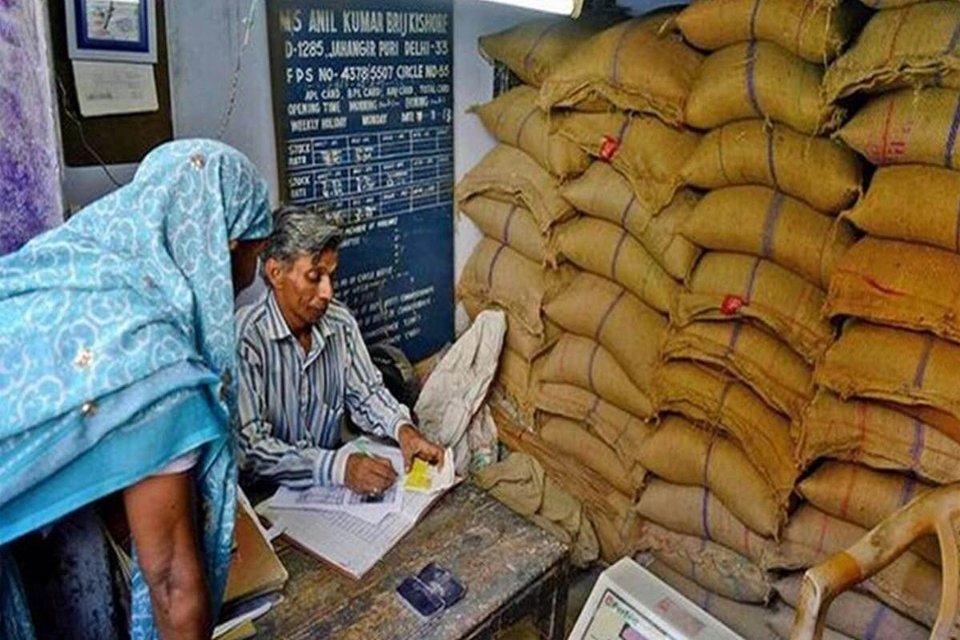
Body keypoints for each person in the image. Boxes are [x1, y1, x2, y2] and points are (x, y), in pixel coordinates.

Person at [0, 139, 272, 640]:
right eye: (254, 258)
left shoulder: (63, 269)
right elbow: (171, 584)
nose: (248, 281)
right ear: (225, 245)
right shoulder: (151, 360)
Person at [235, 206, 443, 496]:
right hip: (265, 499)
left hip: (326, 494)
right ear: (275, 273)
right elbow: (251, 449)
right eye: (314, 277)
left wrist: (402, 429)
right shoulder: (246, 337)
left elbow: (367, 394)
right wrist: (338, 467)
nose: (327, 293)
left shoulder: (339, 322)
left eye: (331, 277)